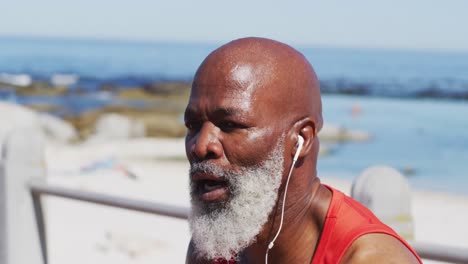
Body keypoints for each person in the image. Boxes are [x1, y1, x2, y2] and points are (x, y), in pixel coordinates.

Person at [184, 37, 422, 264]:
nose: (200, 145)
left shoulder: (371, 258)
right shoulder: (213, 246)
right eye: (193, 125)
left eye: (230, 125)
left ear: (301, 139)